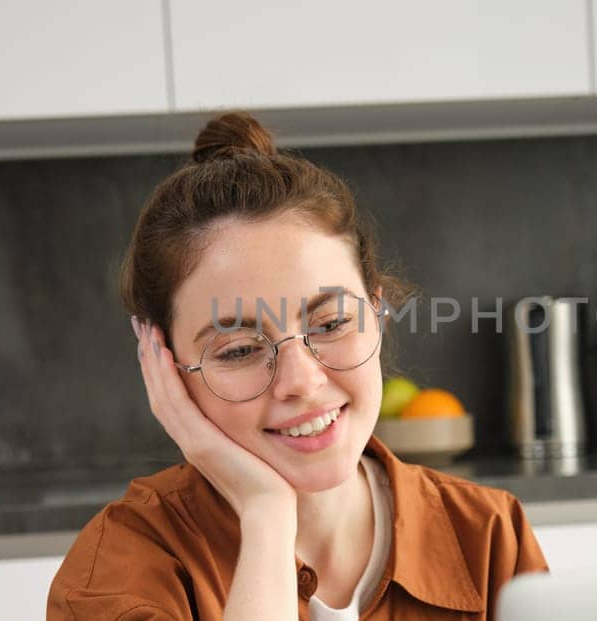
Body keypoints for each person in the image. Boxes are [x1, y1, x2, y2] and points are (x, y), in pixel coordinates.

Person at [47, 111, 550, 620]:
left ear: (377, 317)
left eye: (330, 324)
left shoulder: (488, 536)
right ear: (168, 370)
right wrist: (266, 514)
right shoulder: (117, 569)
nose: (301, 381)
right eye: (240, 350)